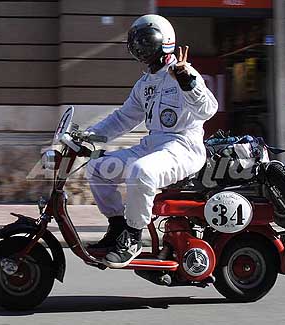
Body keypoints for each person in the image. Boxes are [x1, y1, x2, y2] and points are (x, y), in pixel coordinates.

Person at [85, 14, 218, 268]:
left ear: (164, 42)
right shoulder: (145, 83)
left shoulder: (183, 73)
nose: (141, 48)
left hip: (183, 147)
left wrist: (188, 83)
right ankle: (118, 229)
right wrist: (88, 137)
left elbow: (208, 110)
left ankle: (134, 237)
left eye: (146, 42)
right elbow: (123, 118)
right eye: (137, 43)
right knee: (97, 168)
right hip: (154, 144)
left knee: (141, 172)